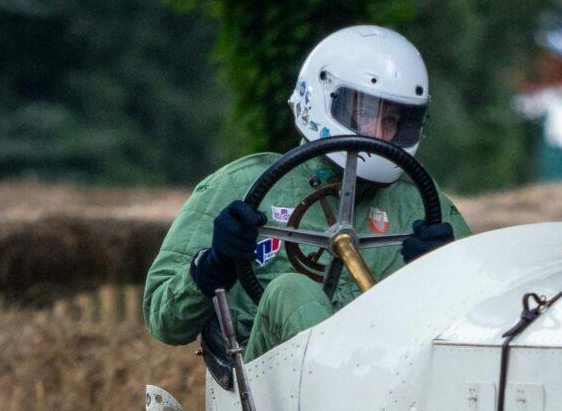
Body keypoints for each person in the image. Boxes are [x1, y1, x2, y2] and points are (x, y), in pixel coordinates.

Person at [144, 25, 470, 363]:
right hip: (268, 394)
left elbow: (485, 321)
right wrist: (212, 265)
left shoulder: (423, 203)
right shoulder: (238, 186)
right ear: (319, 100)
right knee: (292, 291)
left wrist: (448, 275)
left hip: (397, 384)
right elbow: (163, 323)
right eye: (364, 113)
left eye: (391, 121)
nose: (378, 133)